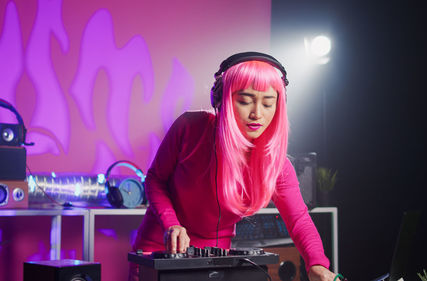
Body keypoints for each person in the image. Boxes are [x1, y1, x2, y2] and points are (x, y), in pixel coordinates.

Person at [129, 52, 338, 281]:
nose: (257, 113)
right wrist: (172, 225)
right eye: (245, 101)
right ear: (221, 98)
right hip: (161, 246)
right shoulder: (189, 128)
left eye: (268, 103)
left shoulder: (277, 164)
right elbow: (155, 180)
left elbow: (299, 220)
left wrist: (317, 263)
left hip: (218, 259)